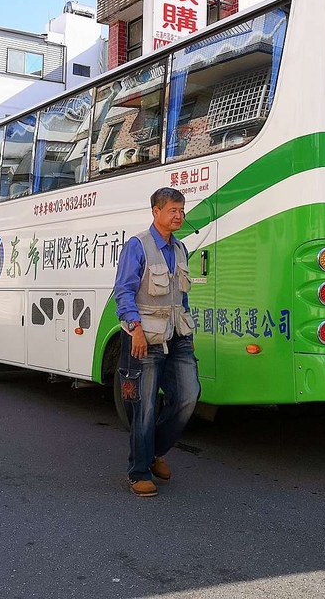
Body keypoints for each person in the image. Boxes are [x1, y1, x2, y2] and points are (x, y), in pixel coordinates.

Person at [113, 187, 200, 497]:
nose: (179, 215)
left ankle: (152, 451)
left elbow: (182, 297)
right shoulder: (138, 246)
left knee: (189, 396)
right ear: (156, 212)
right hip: (144, 338)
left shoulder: (180, 249)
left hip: (178, 337)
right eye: (172, 210)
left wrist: (188, 333)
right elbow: (123, 291)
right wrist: (134, 328)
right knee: (144, 407)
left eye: (181, 210)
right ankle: (138, 472)